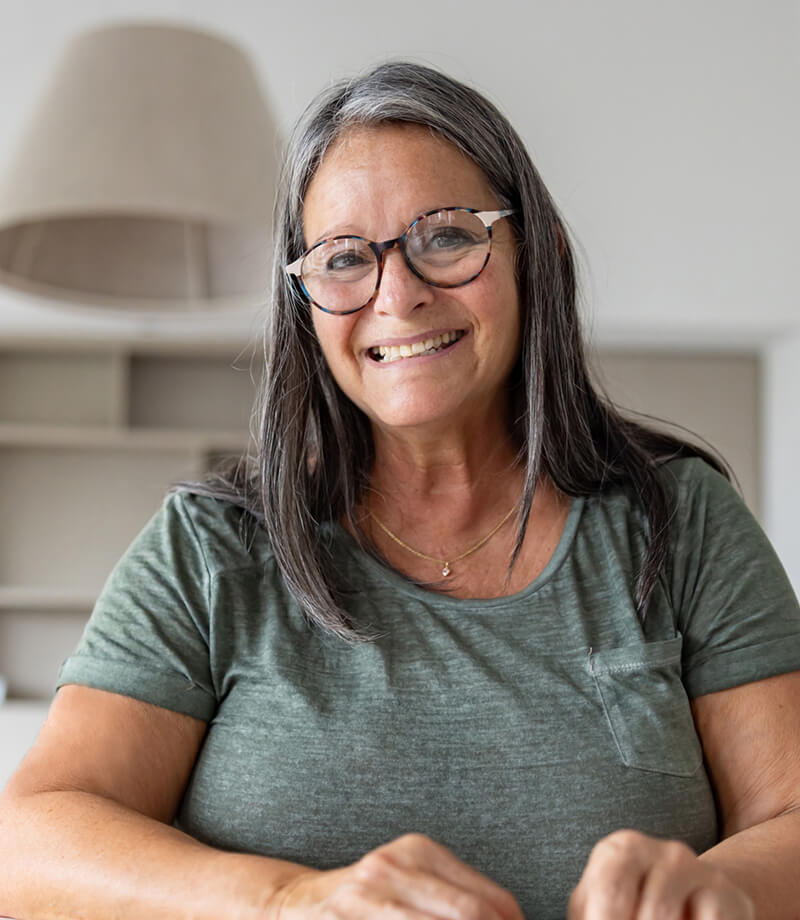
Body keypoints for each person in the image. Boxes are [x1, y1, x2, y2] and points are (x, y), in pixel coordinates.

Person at [1, 61, 799, 920]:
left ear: (538, 256)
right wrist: (289, 900)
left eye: (447, 237)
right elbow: (27, 848)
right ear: (305, 303)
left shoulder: (680, 522)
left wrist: (719, 889)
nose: (399, 294)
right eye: (345, 258)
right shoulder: (211, 548)